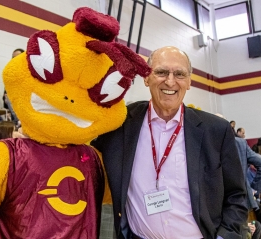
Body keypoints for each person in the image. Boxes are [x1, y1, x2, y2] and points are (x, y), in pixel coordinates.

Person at [91, 46, 247, 239]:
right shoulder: (120, 124)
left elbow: (236, 195)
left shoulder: (215, 130)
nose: (170, 81)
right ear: (146, 78)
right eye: (161, 72)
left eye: (179, 74)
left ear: (189, 81)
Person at [2, 48, 24, 127]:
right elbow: (4, 99)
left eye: (17, 58)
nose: (14, 60)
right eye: (13, 58)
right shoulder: (10, 76)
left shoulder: (29, 74)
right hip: (14, 110)